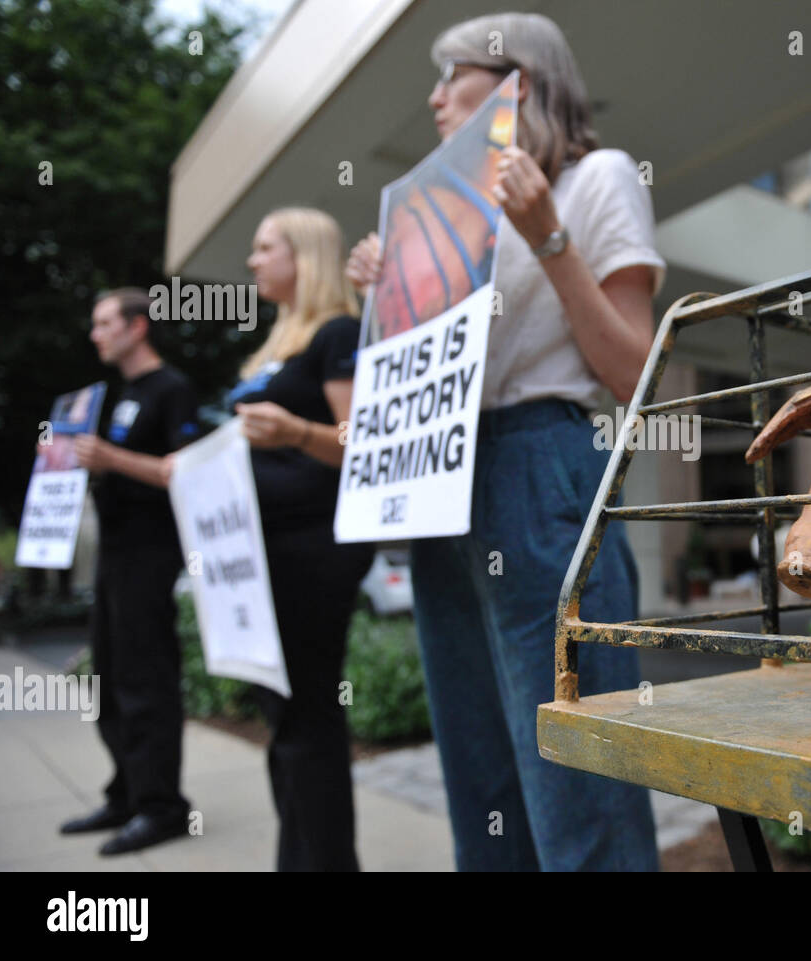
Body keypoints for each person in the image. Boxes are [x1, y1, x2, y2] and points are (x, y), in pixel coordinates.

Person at [347, 11, 663, 871]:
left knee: (576, 774)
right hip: (445, 475)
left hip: (538, 461)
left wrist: (548, 239)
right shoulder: (443, 213)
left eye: (453, 76)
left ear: (516, 81)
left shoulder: (596, 178)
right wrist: (379, 300)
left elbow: (635, 375)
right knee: (480, 772)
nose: (434, 96)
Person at [230, 206, 374, 871]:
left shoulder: (339, 331)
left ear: (305, 255)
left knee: (308, 716)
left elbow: (359, 440)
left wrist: (293, 432)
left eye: (265, 248)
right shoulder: (272, 346)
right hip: (259, 553)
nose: (253, 260)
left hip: (313, 547)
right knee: (283, 719)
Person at [59, 288, 199, 855]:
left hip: (150, 554)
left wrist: (112, 461)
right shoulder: (118, 395)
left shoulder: (173, 390)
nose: (95, 333)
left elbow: (185, 470)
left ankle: (162, 806)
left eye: (104, 323)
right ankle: (127, 792)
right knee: (109, 678)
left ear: (138, 327)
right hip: (115, 557)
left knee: (146, 680)